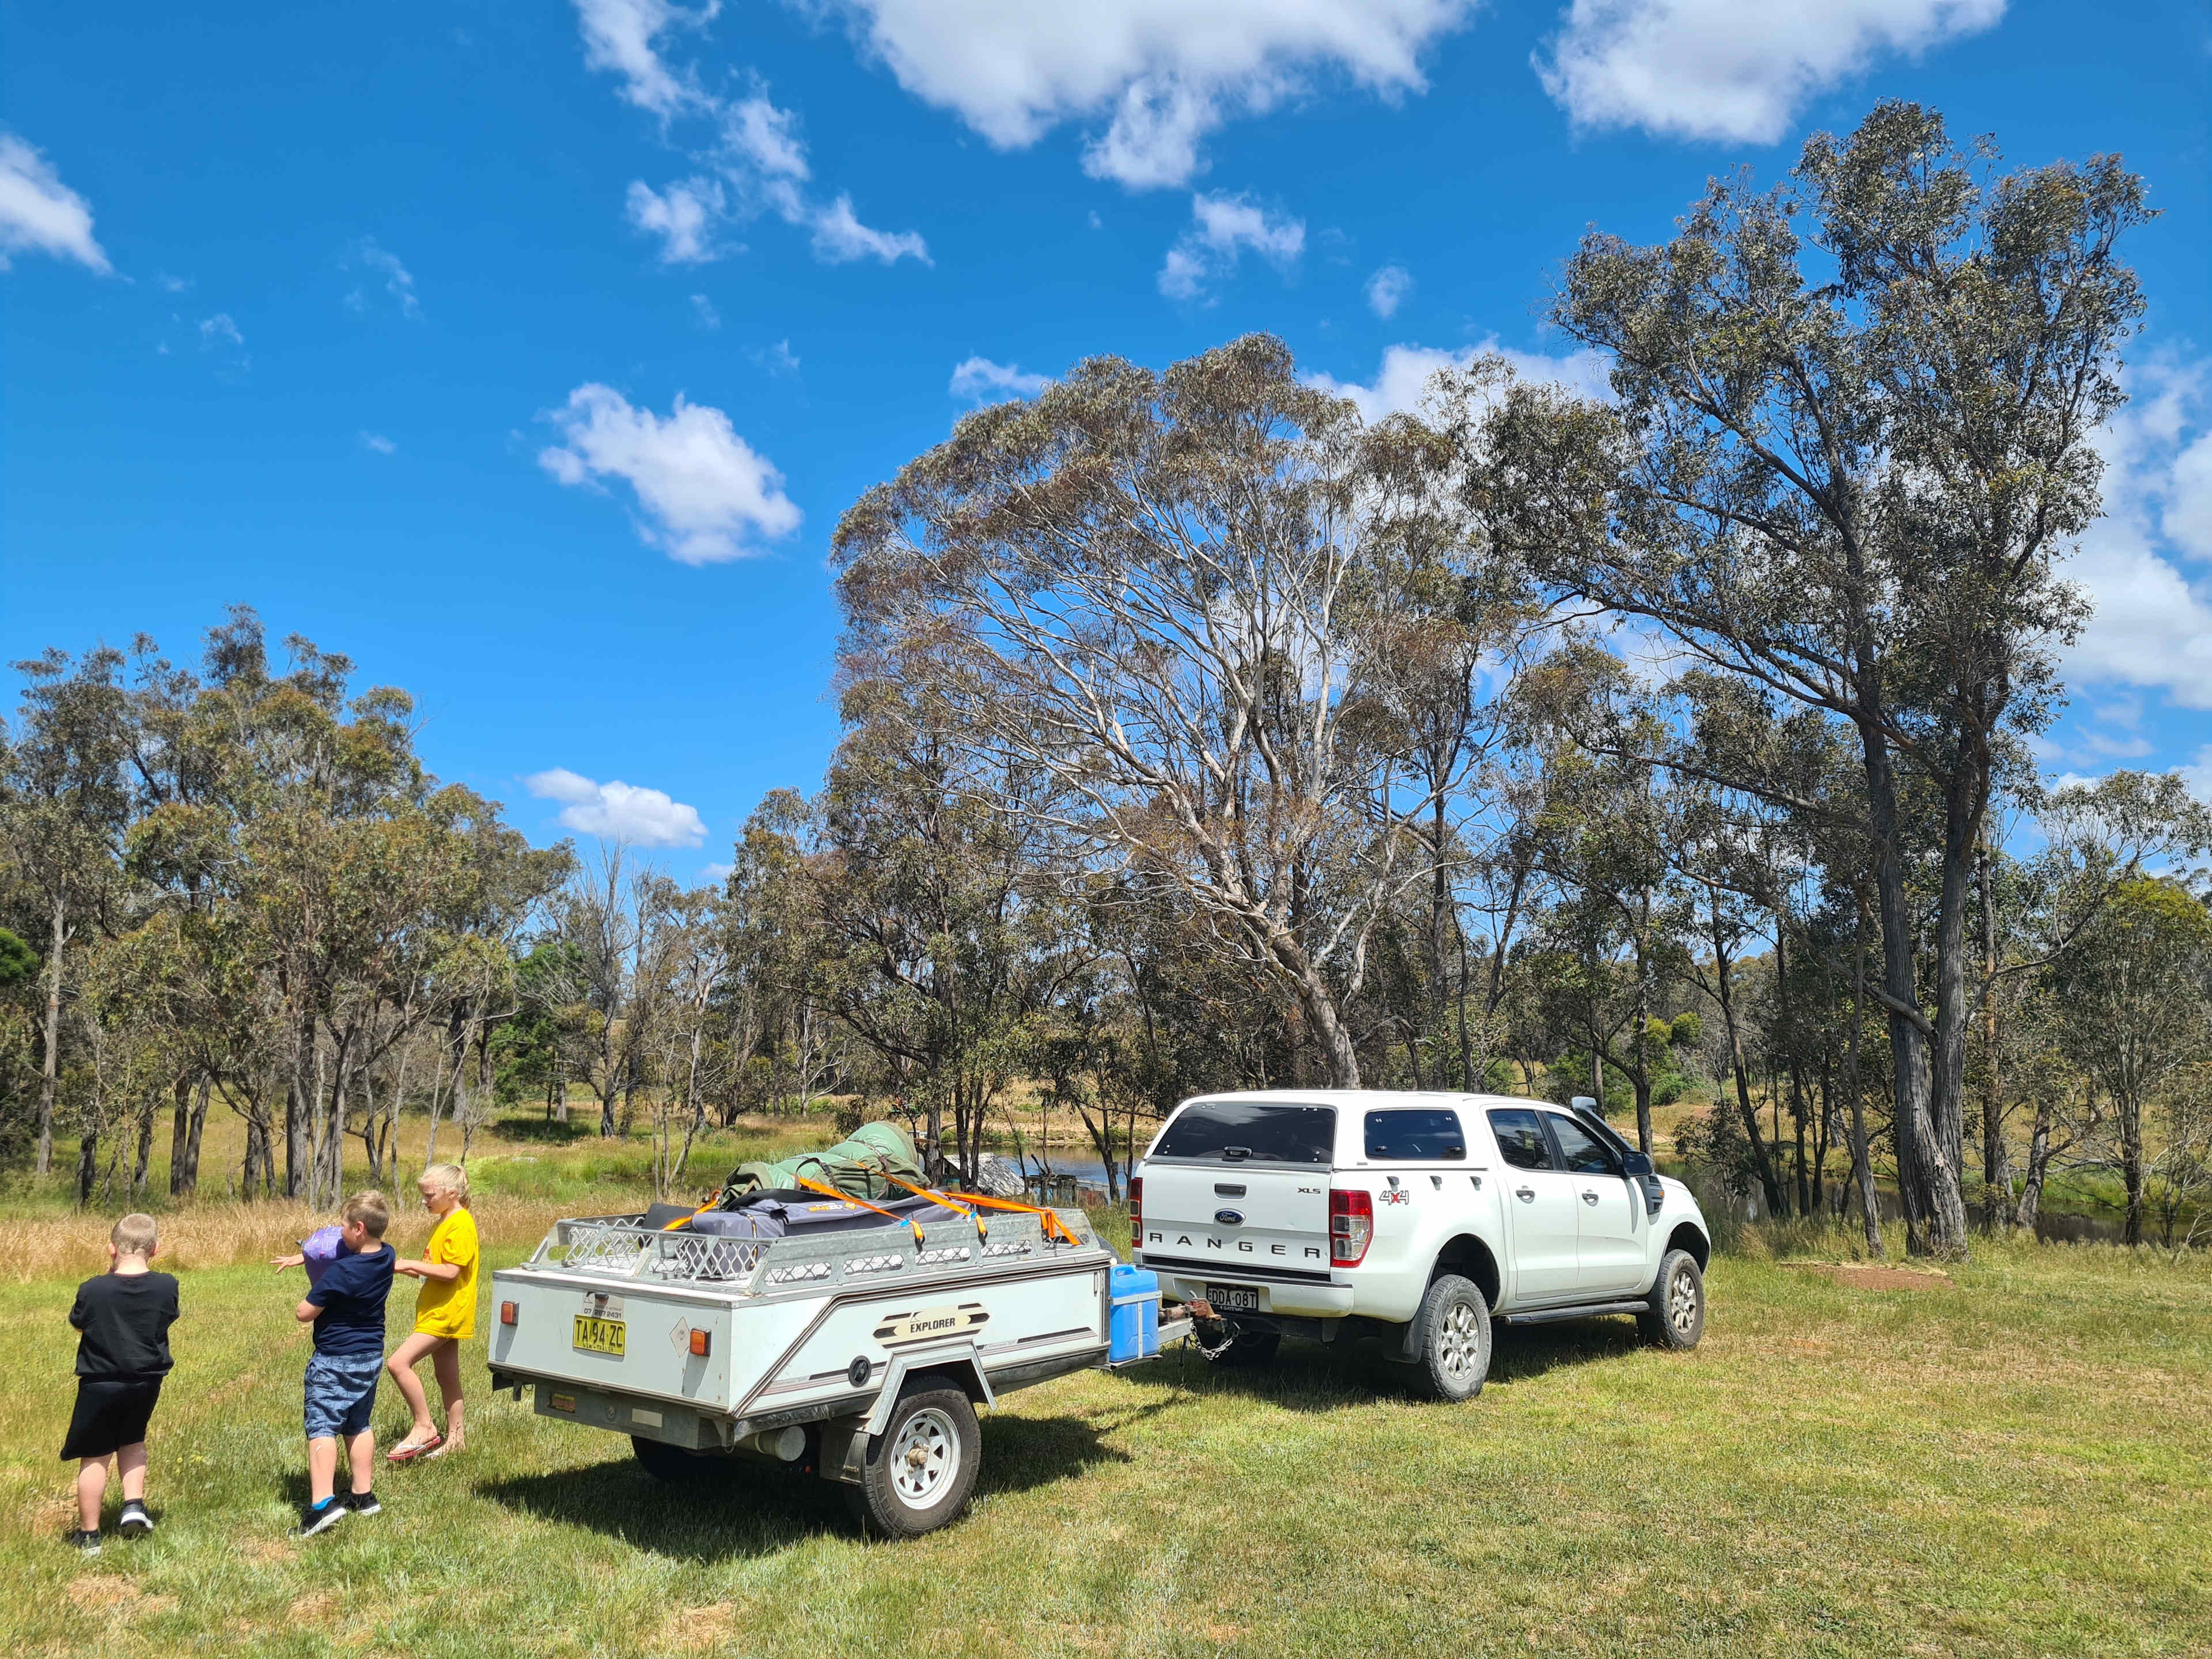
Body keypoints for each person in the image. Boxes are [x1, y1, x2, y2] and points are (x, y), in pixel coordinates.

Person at [274, 1190, 393, 1536]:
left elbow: (304, 1313)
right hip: (370, 1355)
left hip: (334, 1359)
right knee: (359, 1423)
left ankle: (322, 1506)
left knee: (322, 1426)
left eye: (343, 1225)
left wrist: (322, 1276)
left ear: (359, 1228)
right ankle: (363, 1495)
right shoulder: (387, 1255)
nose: (339, 1231)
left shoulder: (342, 1271)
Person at [61, 1213, 180, 1554]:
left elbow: (80, 1323)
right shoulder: (167, 1285)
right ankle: (133, 1505)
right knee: (133, 1439)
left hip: (100, 1382)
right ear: (155, 1249)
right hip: (146, 1381)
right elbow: (166, 1318)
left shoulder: (93, 1288)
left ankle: (89, 1535)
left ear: (111, 1249)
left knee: (95, 1455)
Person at [385, 1163, 479, 1462]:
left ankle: (424, 1426)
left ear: (452, 1194)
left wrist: (409, 1263)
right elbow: (431, 1270)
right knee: (447, 1377)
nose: (424, 1201)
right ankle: (457, 1440)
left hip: (446, 1313)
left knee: (398, 1363)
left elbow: (450, 1272)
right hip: (439, 1310)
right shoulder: (445, 1221)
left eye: (429, 1195)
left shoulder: (460, 1224)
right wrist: (398, 1267)